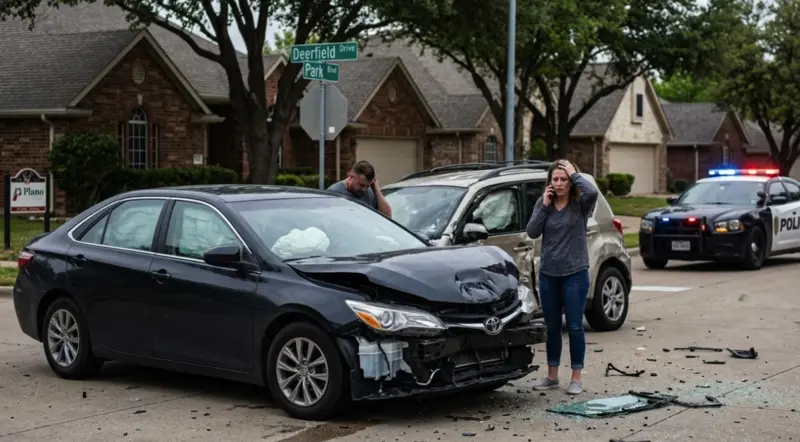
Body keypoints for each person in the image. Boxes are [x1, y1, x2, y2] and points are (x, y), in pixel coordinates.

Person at [526, 159, 599, 395]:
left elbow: (593, 191)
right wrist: (544, 205)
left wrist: (574, 172)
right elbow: (532, 231)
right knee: (553, 327)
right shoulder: (544, 203)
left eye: (563, 179)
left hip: (575, 274)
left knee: (575, 326)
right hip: (549, 275)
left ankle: (576, 377)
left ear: (570, 181)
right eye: (555, 179)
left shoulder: (581, 204)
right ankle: (552, 375)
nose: (558, 184)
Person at [327, 161, 392, 217]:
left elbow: (387, 216)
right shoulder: (333, 193)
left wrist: (376, 189)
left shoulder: (371, 191)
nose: (364, 189)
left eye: (368, 186)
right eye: (361, 185)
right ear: (351, 177)